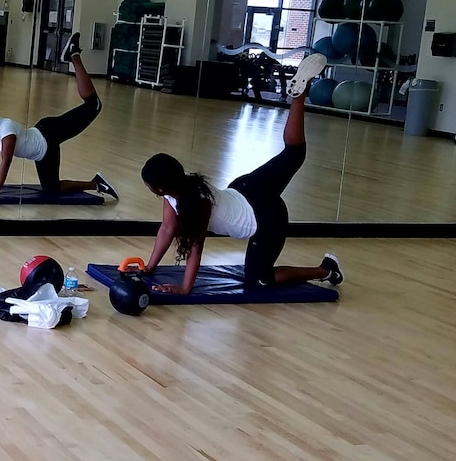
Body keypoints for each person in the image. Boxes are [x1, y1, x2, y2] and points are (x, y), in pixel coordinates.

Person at [140, 53, 343, 294]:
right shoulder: (177, 189)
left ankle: (326, 270)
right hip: (245, 188)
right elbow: (166, 229)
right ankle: (298, 97)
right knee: (293, 154)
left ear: (161, 188)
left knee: (261, 280)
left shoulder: (197, 205)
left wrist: (185, 288)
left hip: (265, 217)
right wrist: (149, 268)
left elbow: (196, 248)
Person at [0, 32, 118, 200]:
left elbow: (5, 161)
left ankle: (74, 56)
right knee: (52, 189)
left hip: (49, 134)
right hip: (42, 151)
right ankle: (96, 184)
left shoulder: (6, 129)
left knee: (93, 105)